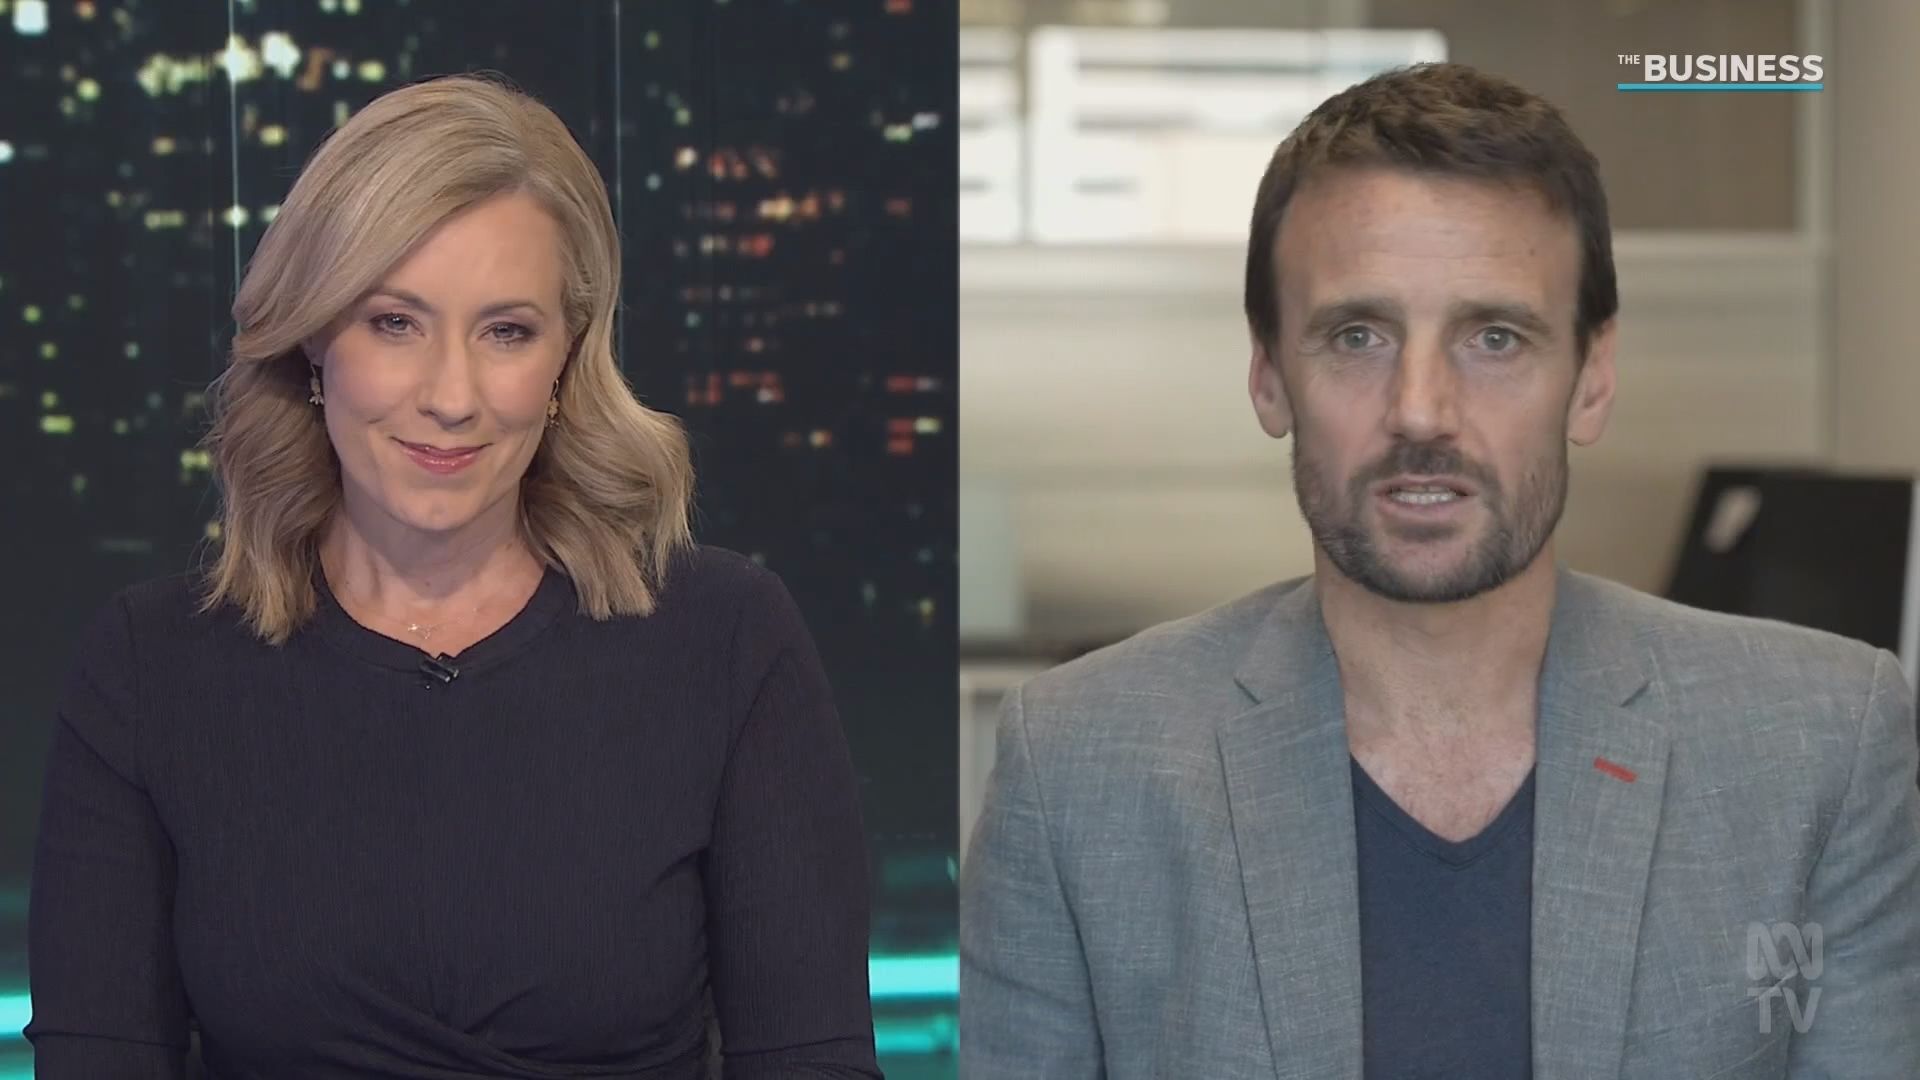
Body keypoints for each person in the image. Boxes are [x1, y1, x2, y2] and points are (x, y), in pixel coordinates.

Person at [960, 62, 1920, 1079]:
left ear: (1593, 378)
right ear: (1268, 374)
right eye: (1357, 336)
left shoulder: (1822, 742)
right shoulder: (1076, 766)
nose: (1421, 411)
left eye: (1495, 337)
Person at [26, 74, 881, 1080]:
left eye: (506, 332)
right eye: (395, 323)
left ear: (565, 362)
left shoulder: (725, 638)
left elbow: (812, 1059)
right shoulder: (151, 667)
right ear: (313, 340)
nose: (452, 396)